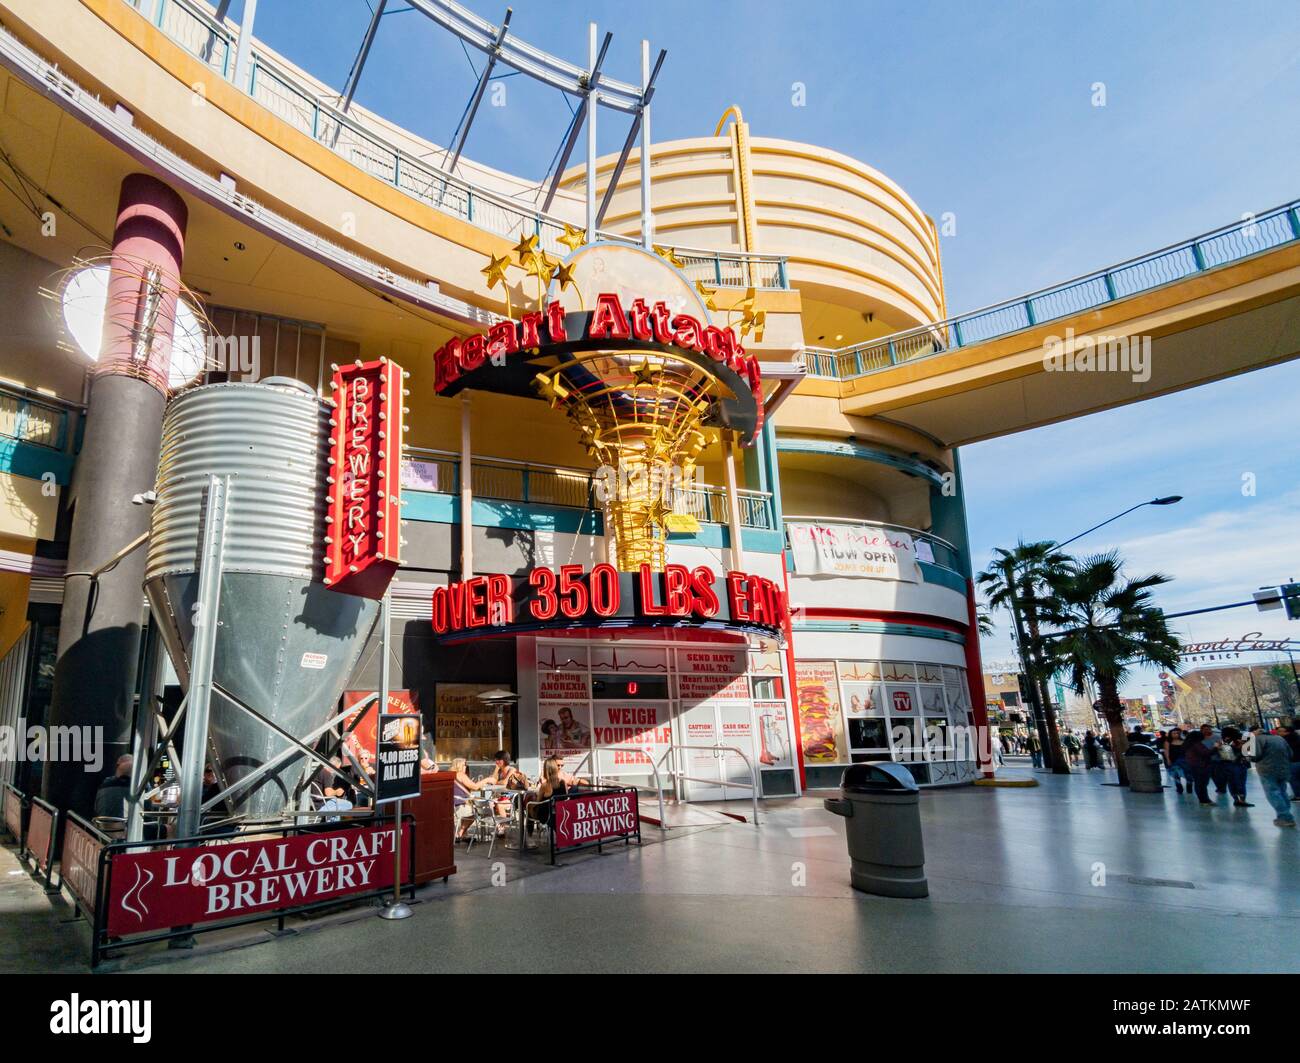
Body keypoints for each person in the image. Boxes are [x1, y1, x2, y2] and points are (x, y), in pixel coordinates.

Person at [1248, 723, 1296, 828]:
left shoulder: (1257, 740)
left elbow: (1254, 757)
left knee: (1273, 793)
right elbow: (1290, 753)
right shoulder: (1279, 738)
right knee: (1282, 792)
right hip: (1283, 768)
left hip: (1267, 770)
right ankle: (1286, 814)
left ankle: (1285, 817)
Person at [451, 757, 489, 840]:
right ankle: (461, 833)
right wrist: (487, 779)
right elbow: (475, 787)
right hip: (460, 806)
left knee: (473, 808)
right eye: (465, 765)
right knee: (478, 812)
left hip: (454, 805)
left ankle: (464, 834)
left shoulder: (451, 774)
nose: (466, 767)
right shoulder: (460, 774)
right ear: (459, 766)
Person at [1218, 727, 1253, 808]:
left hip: (1226, 764)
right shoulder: (1238, 740)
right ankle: (1242, 800)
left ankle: (1236, 800)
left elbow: (1222, 753)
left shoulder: (1222, 741)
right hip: (1238, 763)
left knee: (1231, 782)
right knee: (1241, 782)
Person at [92, 754, 133, 820]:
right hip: (126, 828)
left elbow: (96, 808)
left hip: (103, 826)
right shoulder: (140, 789)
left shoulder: (104, 786)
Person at [1182, 730, 1214, 805]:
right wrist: (1215, 748)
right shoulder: (1197, 744)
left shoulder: (1188, 744)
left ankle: (1203, 799)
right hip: (1201, 765)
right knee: (1202, 783)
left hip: (1194, 765)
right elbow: (1206, 753)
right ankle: (1204, 800)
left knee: (1198, 783)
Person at [1161, 728, 1189, 794]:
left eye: (1178, 733)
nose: (1176, 734)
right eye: (1174, 733)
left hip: (1184, 760)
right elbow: (1166, 751)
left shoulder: (1184, 741)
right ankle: (1179, 788)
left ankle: (1189, 786)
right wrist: (1168, 759)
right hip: (1174, 760)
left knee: (1187, 774)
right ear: (1171, 734)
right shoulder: (1168, 742)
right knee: (1176, 775)